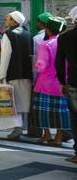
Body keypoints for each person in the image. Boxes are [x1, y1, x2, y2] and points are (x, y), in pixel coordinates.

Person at [33, 16, 70, 147]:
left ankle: (47, 134)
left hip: (45, 84)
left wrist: (34, 64)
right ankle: (59, 137)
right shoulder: (66, 42)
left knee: (43, 111)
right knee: (60, 112)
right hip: (62, 83)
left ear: (48, 30)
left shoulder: (46, 45)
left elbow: (41, 65)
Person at [0, 11, 34, 141]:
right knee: (22, 102)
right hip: (26, 74)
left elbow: (5, 56)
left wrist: (1, 75)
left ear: (14, 21)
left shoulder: (8, 35)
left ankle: (16, 128)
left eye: (8, 18)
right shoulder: (28, 34)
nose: (6, 20)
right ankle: (21, 127)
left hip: (12, 73)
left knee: (12, 102)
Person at [54, 6, 77, 163]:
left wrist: (62, 82)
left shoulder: (65, 37)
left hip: (74, 84)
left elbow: (59, 64)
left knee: (75, 118)